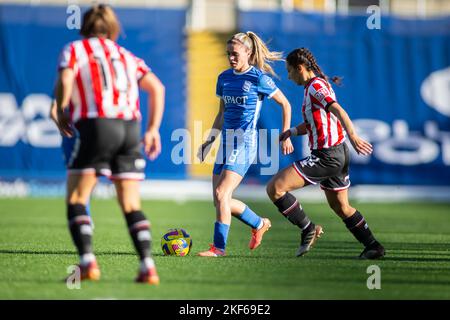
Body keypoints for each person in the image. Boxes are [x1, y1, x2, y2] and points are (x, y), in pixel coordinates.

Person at [53, 4, 165, 284]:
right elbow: (157, 87)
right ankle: (147, 266)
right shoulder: (126, 55)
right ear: (113, 28)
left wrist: (61, 107)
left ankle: (88, 263)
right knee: (130, 203)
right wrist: (152, 129)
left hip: (97, 124)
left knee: (77, 198)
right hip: (130, 126)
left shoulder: (75, 49)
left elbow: (66, 77)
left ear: (85, 27)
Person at [266, 47, 385, 259]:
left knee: (275, 188)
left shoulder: (316, 87)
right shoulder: (318, 84)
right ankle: (373, 246)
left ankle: (307, 228)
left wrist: (354, 136)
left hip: (327, 156)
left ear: (300, 68)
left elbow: (338, 110)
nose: (288, 76)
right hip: (338, 154)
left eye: (290, 71)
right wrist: (291, 132)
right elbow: (313, 122)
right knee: (341, 207)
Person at [197, 31, 294, 257]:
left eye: (235, 53)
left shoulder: (258, 78)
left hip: (245, 144)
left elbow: (286, 104)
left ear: (248, 53)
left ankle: (218, 248)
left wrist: (286, 134)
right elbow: (222, 113)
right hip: (225, 143)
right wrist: (209, 141)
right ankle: (259, 223)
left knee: (222, 194)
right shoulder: (224, 78)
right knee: (220, 200)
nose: (231, 58)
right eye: (228, 54)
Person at [50, 100, 95, 229]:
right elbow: (54, 109)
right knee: (76, 178)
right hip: (71, 139)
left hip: (88, 137)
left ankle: (83, 214)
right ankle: (82, 216)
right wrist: (61, 126)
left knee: (90, 178)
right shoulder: (66, 83)